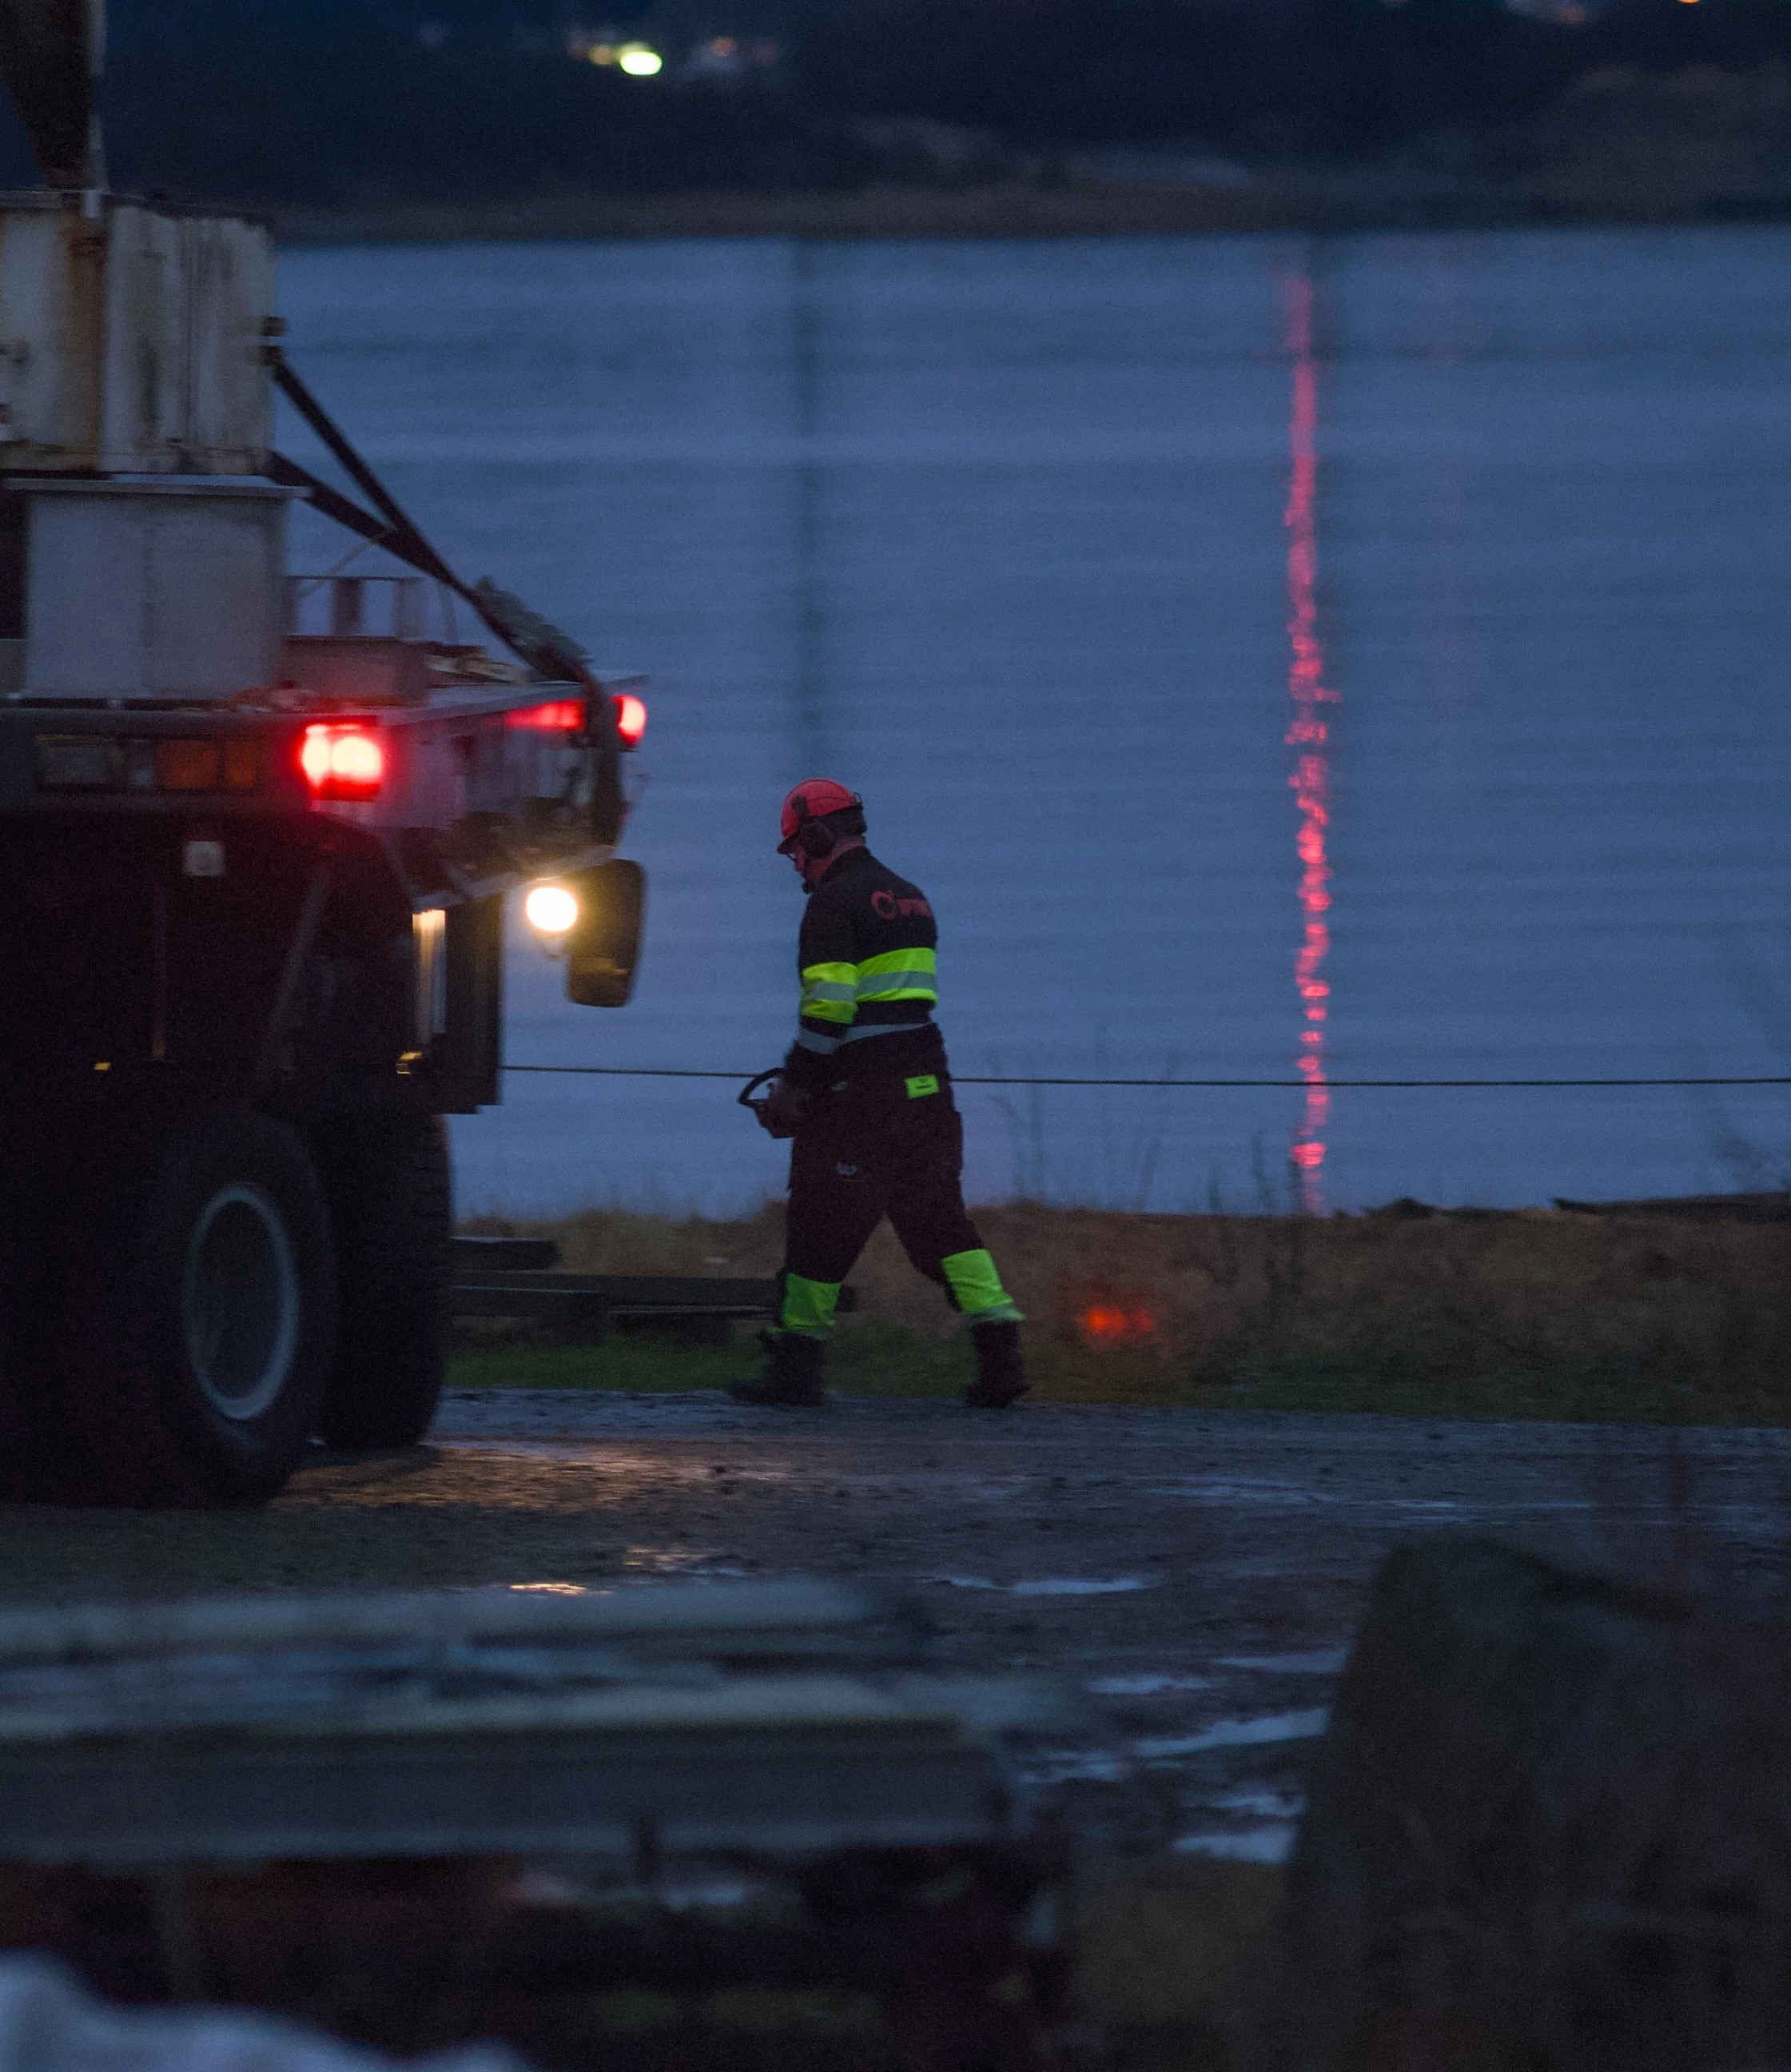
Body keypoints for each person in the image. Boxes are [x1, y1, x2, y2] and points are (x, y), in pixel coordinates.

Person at [730, 779, 1029, 1409]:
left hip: (859, 1100)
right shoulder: (911, 898)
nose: (795, 866)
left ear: (818, 836)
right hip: (928, 1092)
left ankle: (795, 1368)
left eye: (795, 852)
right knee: (941, 1228)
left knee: (817, 1228)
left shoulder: (832, 905)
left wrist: (792, 1087)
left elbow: (829, 1012)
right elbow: (897, 1010)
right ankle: (1001, 1354)